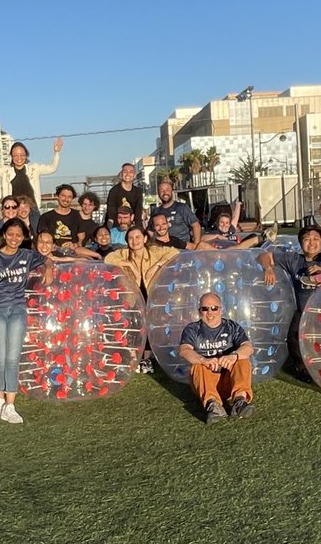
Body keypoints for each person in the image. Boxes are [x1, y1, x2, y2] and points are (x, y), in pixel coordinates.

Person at [258, 225, 321, 380]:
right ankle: (302, 368)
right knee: (294, 336)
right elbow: (264, 254)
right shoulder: (294, 259)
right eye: (307, 239)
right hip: (303, 311)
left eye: (316, 239)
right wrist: (268, 268)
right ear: (300, 243)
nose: (311, 242)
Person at [0, 219, 53, 424]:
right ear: (4, 234)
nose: (14, 239)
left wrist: (48, 267)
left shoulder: (27, 255)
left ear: (24, 237)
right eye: (10, 234)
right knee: (0, 357)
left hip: (18, 310)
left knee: (13, 358)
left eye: (18, 235)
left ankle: (10, 405)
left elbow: (46, 258)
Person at [104, 225, 180, 372]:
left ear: (145, 238)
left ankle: (149, 357)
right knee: (136, 325)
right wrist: (127, 264)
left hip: (153, 295)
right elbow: (108, 259)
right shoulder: (124, 254)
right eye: (131, 238)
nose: (135, 241)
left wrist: (157, 265)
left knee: (153, 324)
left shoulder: (154, 251)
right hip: (132, 297)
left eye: (138, 237)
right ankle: (137, 358)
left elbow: (174, 252)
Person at [178, 292, 256, 423]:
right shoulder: (192, 329)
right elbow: (184, 350)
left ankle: (239, 401)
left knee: (242, 360)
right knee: (197, 365)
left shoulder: (232, 327)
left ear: (221, 310)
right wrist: (203, 360)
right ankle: (213, 405)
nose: (210, 312)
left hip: (229, 379)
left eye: (214, 308)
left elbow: (248, 347)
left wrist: (233, 356)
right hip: (206, 382)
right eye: (205, 309)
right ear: (199, 311)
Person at [0, 137, 63, 213]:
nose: (19, 158)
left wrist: (56, 153)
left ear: (26, 156)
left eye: (22, 155)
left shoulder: (34, 169)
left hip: (32, 209)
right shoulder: (6, 171)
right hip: (13, 211)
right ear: (11, 157)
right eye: (15, 156)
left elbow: (52, 168)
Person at [199, 201, 272, 249]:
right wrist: (217, 236)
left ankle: (266, 241)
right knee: (239, 247)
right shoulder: (214, 232)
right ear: (217, 223)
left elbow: (235, 217)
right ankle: (264, 237)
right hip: (228, 251)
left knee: (253, 236)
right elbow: (202, 239)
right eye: (222, 222)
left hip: (239, 248)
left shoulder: (230, 229)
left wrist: (238, 205)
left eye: (227, 223)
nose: (224, 225)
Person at [155, 179, 202, 247]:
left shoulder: (182, 208)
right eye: (161, 190)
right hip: (165, 250)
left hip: (183, 249)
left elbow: (195, 225)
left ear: (172, 192)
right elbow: (150, 231)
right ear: (158, 193)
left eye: (167, 190)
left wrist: (196, 246)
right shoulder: (156, 211)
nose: (165, 192)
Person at [37, 183, 82, 247]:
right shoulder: (46, 217)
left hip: (73, 252)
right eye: (63, 196)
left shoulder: (78, 216)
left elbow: (82, 240)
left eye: (69, 197)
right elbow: (41, 239)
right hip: (52, 252)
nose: (66, 199)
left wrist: (75, 245)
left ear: (72, 199)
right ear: (57, 197)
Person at [105, 162, 144, 227]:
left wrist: (139, 229)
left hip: (130, 227)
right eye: (125, 171)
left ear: (134, 175)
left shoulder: (138, 192)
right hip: (116, 227)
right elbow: (111, 214)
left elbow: (138, 214)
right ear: (121, 174)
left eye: (131, 172)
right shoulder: (114, 191)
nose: (128, 174)